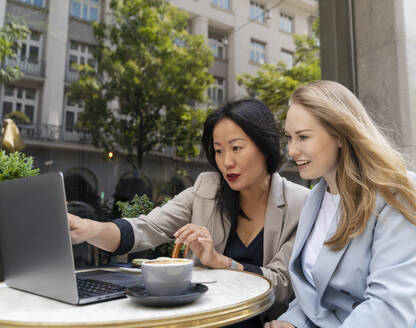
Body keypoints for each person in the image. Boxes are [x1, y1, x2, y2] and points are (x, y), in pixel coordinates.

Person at [68, 98, 309, 325]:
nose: (226, 162)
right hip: (202, 319)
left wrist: (220, 261)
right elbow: (147, 228)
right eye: (218, 151)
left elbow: (281, 284)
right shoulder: (207, 189)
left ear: (265, 147)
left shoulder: (300, 204)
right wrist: (88, 228)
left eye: (236, 148)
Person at [265, 81, 416, 328]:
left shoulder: (396, 192)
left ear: (339, 134)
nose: (292, 150)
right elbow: (314, 289)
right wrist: (291, 321)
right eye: (289, 138)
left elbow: (389, 308)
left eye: (303, 137)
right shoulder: (315, 198)